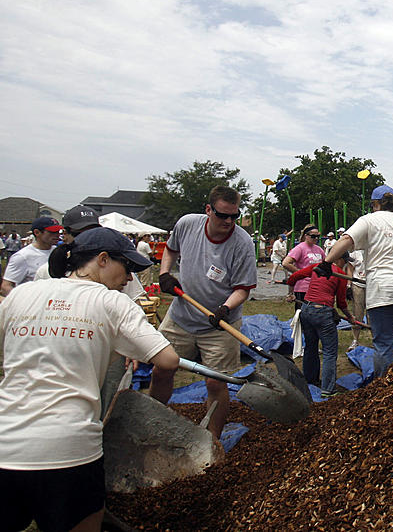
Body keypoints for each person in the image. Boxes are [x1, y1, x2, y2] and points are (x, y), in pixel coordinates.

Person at [0, 227, 178, 532]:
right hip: (70, 451)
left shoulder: (22, 294)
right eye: (127, 269)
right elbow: (168, 360)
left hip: (6, 445)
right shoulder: (112, 303)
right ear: (103, 260)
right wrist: (155, 401)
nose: (128, 280)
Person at [150, 185, 257, 440]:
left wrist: (225, 309)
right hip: (181, 318)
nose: (229, 221)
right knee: (161, 369)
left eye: (234, 215)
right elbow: (171, 249)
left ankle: (212, 440)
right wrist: (165, 273)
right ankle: (152, 422)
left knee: (215, 382)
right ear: (208, 210)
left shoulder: (242, 243)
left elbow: (243, 289)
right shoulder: (188, 224)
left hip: (219, 325)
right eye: (222, 215)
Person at [322, 185, 393, 380]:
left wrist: (326, 262)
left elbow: (346, 239)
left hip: (384, 288)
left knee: (384, 343)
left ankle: (383, 389)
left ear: (375, 204)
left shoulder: (369, 220)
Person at [34, 206, 146, 301]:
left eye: (94, 234)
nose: (87, 239)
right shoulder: (45, 272)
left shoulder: (118, 271)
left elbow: (135, 306)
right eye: (79, 234)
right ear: (65, 234)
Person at [284, 260, 350, 395]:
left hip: (307, 309)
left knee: (310, 345)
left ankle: (309, 380)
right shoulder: (340, 274)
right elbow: (342, 302)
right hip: (323, 312)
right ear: (341, 260)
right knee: (329, 352)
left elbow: (293, 277)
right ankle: (328, 389)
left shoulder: (317, 267)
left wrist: (290, 293)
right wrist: (350, 317)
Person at [1, 217, 62, 297]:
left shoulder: (57, 252)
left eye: (58, 232)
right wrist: (24, 302)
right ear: (37, 232)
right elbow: (5, 287)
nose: (57, 235)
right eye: (52, 232)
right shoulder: (22, 256)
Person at [282, 224, 326, 309]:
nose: (316, 238)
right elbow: (286, 263)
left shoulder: (319, 249)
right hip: (303, 287)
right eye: (313, 236)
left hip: (317, 287)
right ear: (306, 236)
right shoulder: (300, 248)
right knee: (302, 315)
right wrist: (301, 273)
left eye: (318, 236)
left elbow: (326, 264)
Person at [346, 247, 367, 350]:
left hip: (372, 284)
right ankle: (355, 340)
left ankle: (376, 339)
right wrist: (349, 285)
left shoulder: (374, 249)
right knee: (357, 313)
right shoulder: (355, 253)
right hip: (358, 284)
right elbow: (350, 268)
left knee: (373, 313)